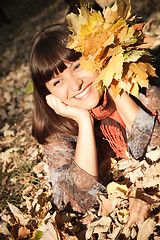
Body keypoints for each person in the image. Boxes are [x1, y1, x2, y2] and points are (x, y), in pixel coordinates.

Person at [30, 23, 160, 213]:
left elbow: (156, 149)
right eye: (58, 82)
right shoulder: (56, 128)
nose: (75, 85)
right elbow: (74, 204)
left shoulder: (139, 82)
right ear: (48, 94)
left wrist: (115, 86)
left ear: (98, 57)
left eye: (78, 66)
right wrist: (84, 121)